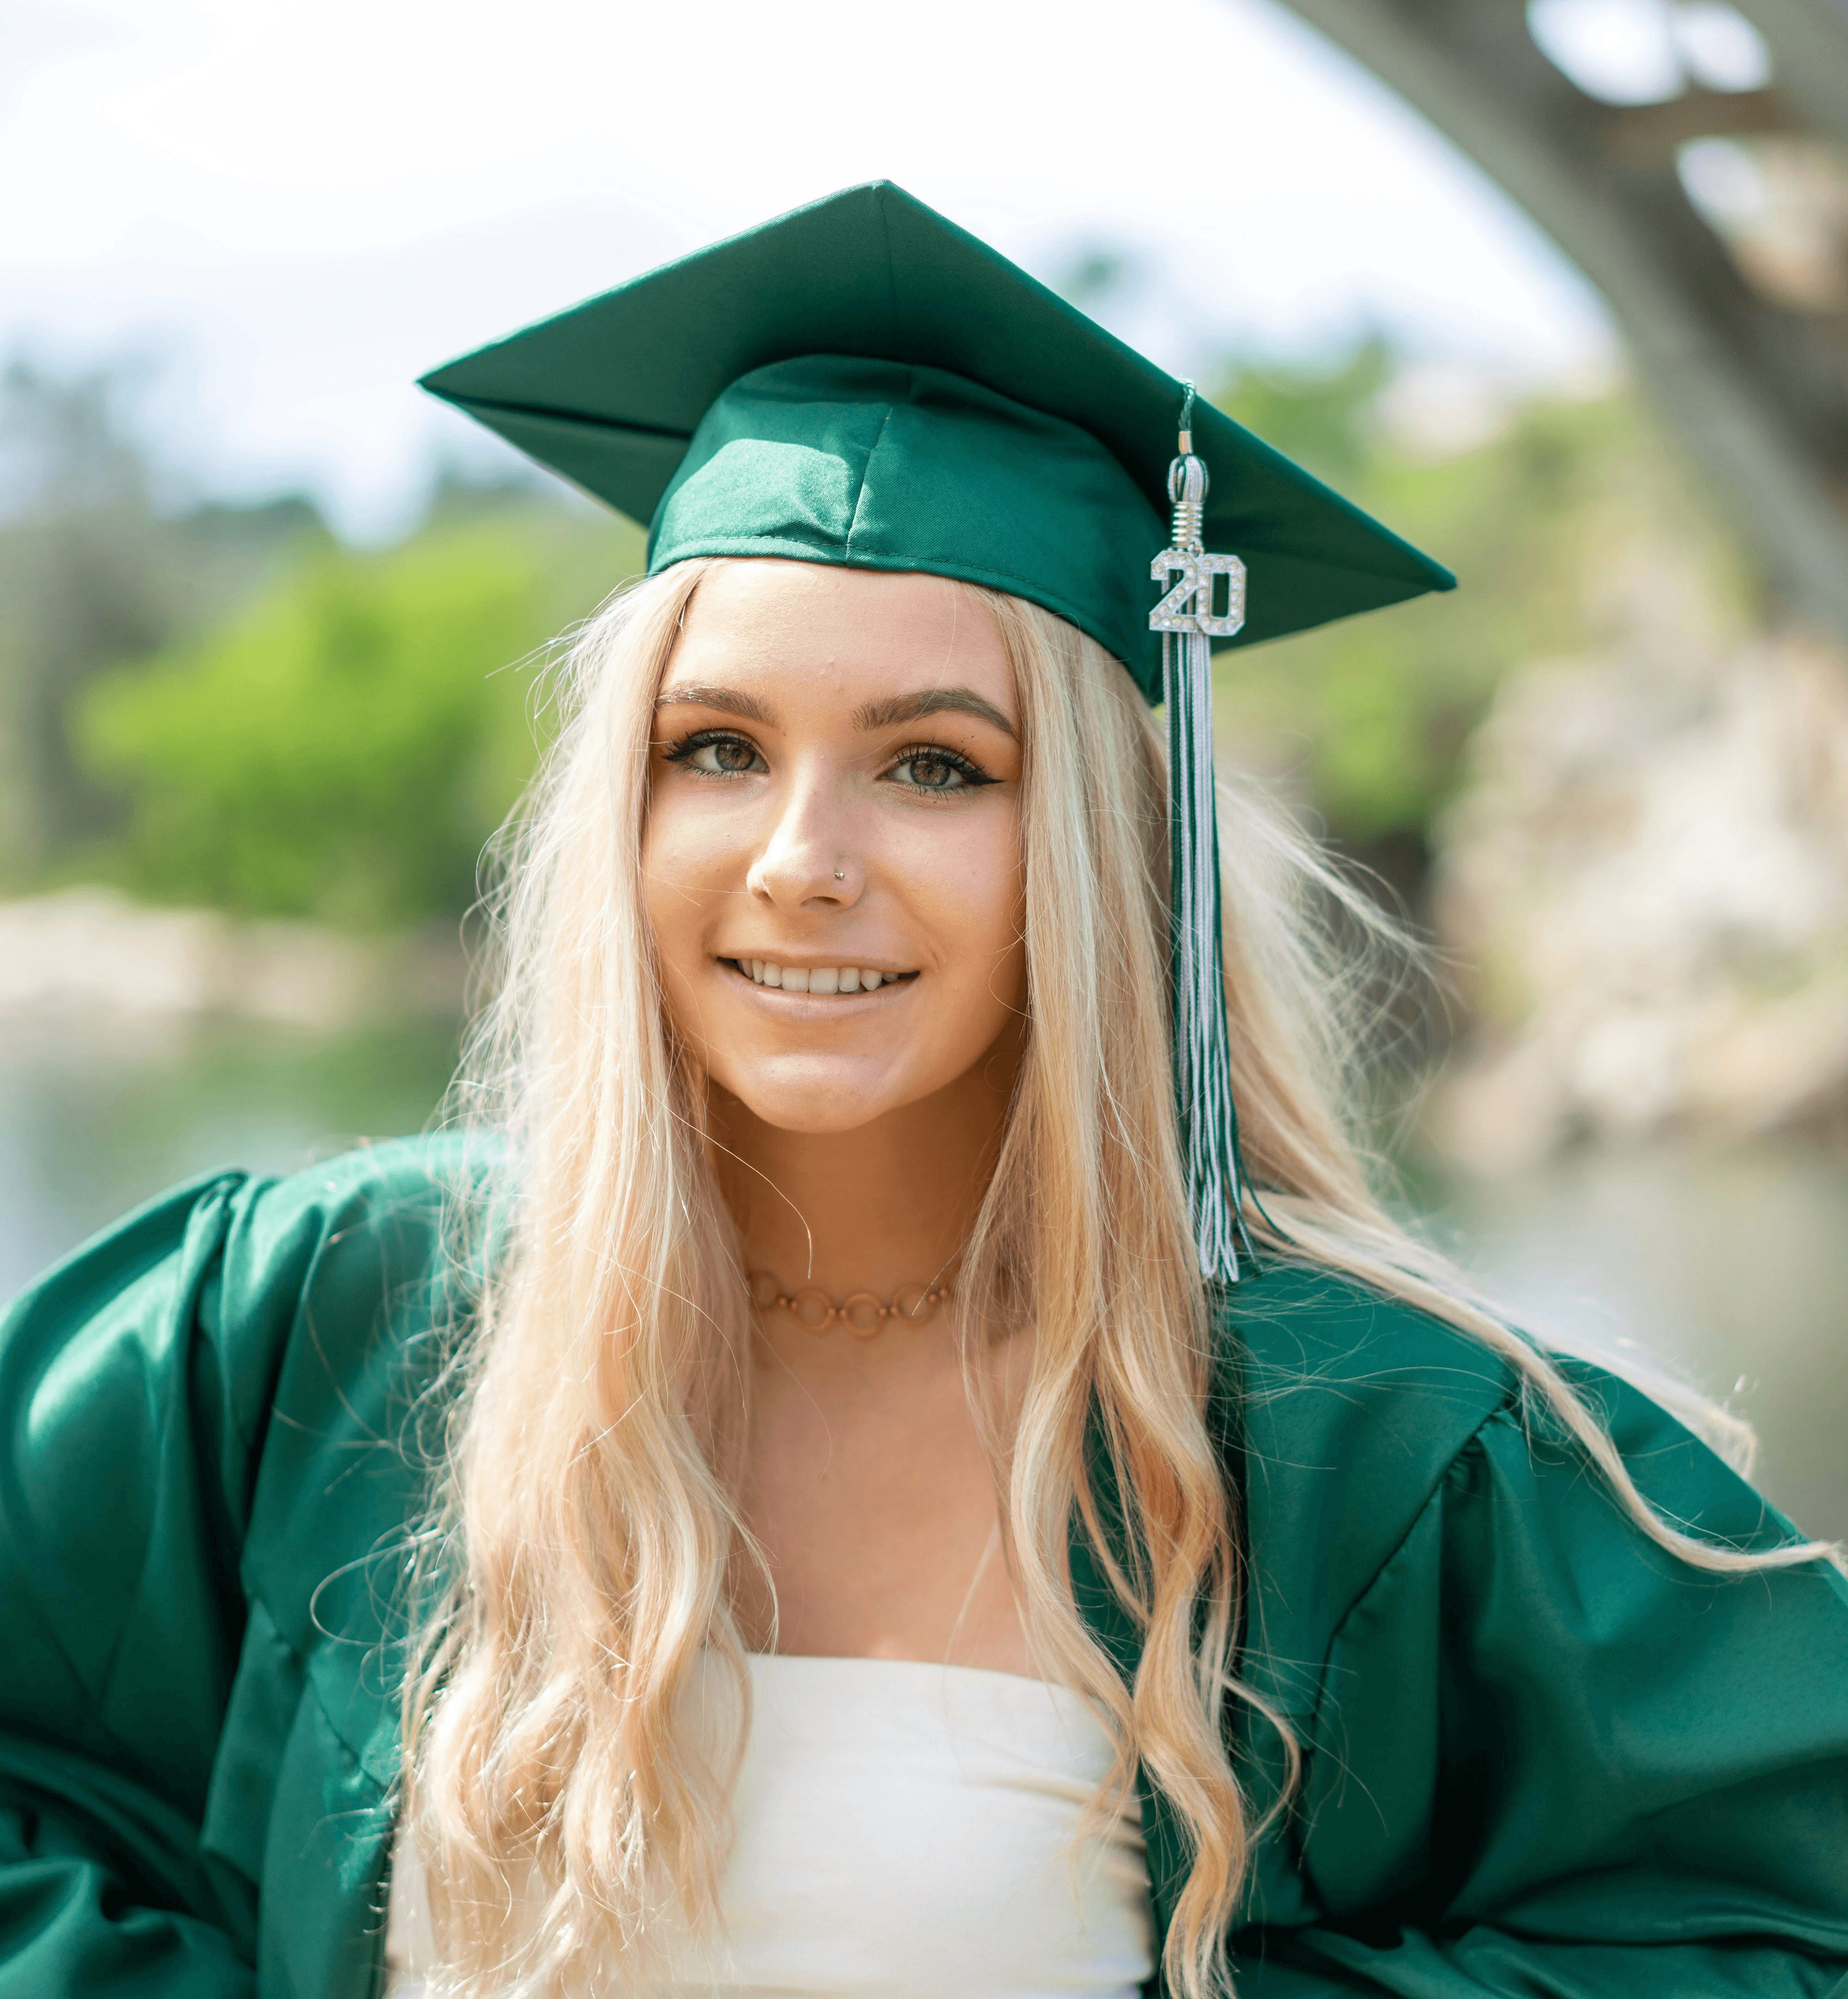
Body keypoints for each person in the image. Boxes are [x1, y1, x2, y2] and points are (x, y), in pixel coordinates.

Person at [2, 182, 1846, 1999]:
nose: (804, 856)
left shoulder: (1357, 1436)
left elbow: (1771, 1916)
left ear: (1112, 848)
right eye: (715, 748)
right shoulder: (316, 1320)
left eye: (939, 767)